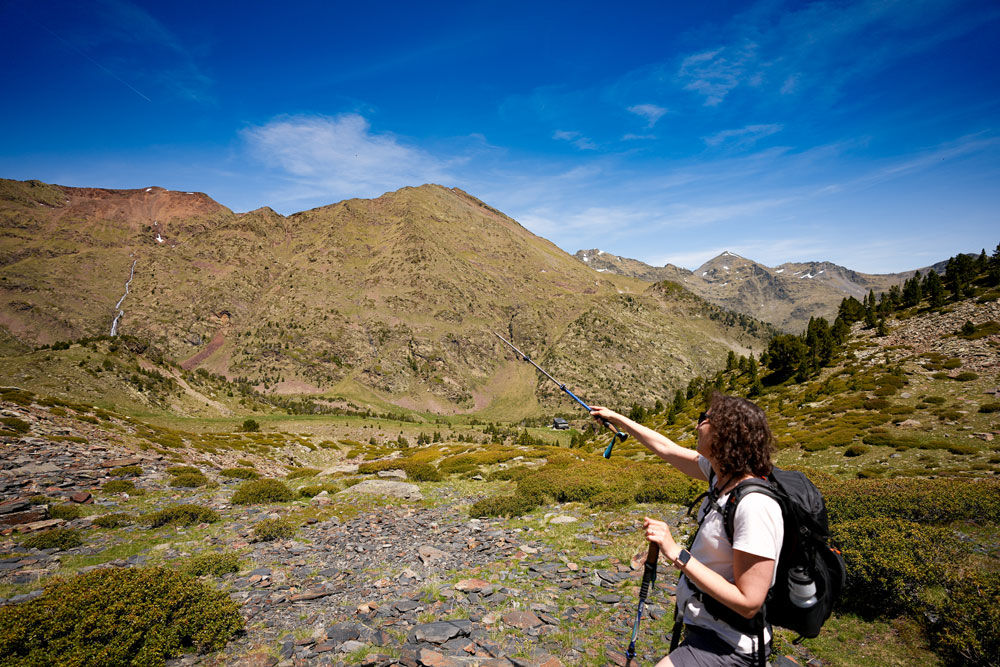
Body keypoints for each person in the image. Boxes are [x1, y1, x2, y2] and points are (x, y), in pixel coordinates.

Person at [590, 392, 783, 667]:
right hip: (708, 629)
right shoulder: (721, 475)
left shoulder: (755, 506)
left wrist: (676, 553)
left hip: (731, 645)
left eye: (704, 419)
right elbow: (665, 448)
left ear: (724, 432)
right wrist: (617, 418)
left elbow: (749, 602)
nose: (697, 425)